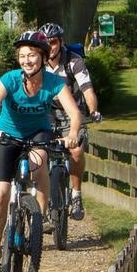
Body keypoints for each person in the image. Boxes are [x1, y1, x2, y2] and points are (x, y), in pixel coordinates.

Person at [0, 31, 83, 272]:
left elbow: (74, 113)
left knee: (39, 162)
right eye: (22, 56)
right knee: (0, 193)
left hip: (37, 133)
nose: (27, 60)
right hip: (8, 135)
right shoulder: (10, 79)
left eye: (32, 55)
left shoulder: (54, 83)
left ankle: (39, 218)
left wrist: (73, 133)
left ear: (43, 57)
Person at [37, 22, 102, 221]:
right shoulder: (37, 62)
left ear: (61, 42)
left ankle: (76, 194)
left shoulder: (74, 62)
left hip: (72, 112)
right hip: (46, 111)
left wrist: (93, 110)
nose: (50, 46)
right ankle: (39, 206)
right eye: (46, 42)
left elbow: (87, 90)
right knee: (38, 153)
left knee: (75, 151)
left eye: (54, 41)